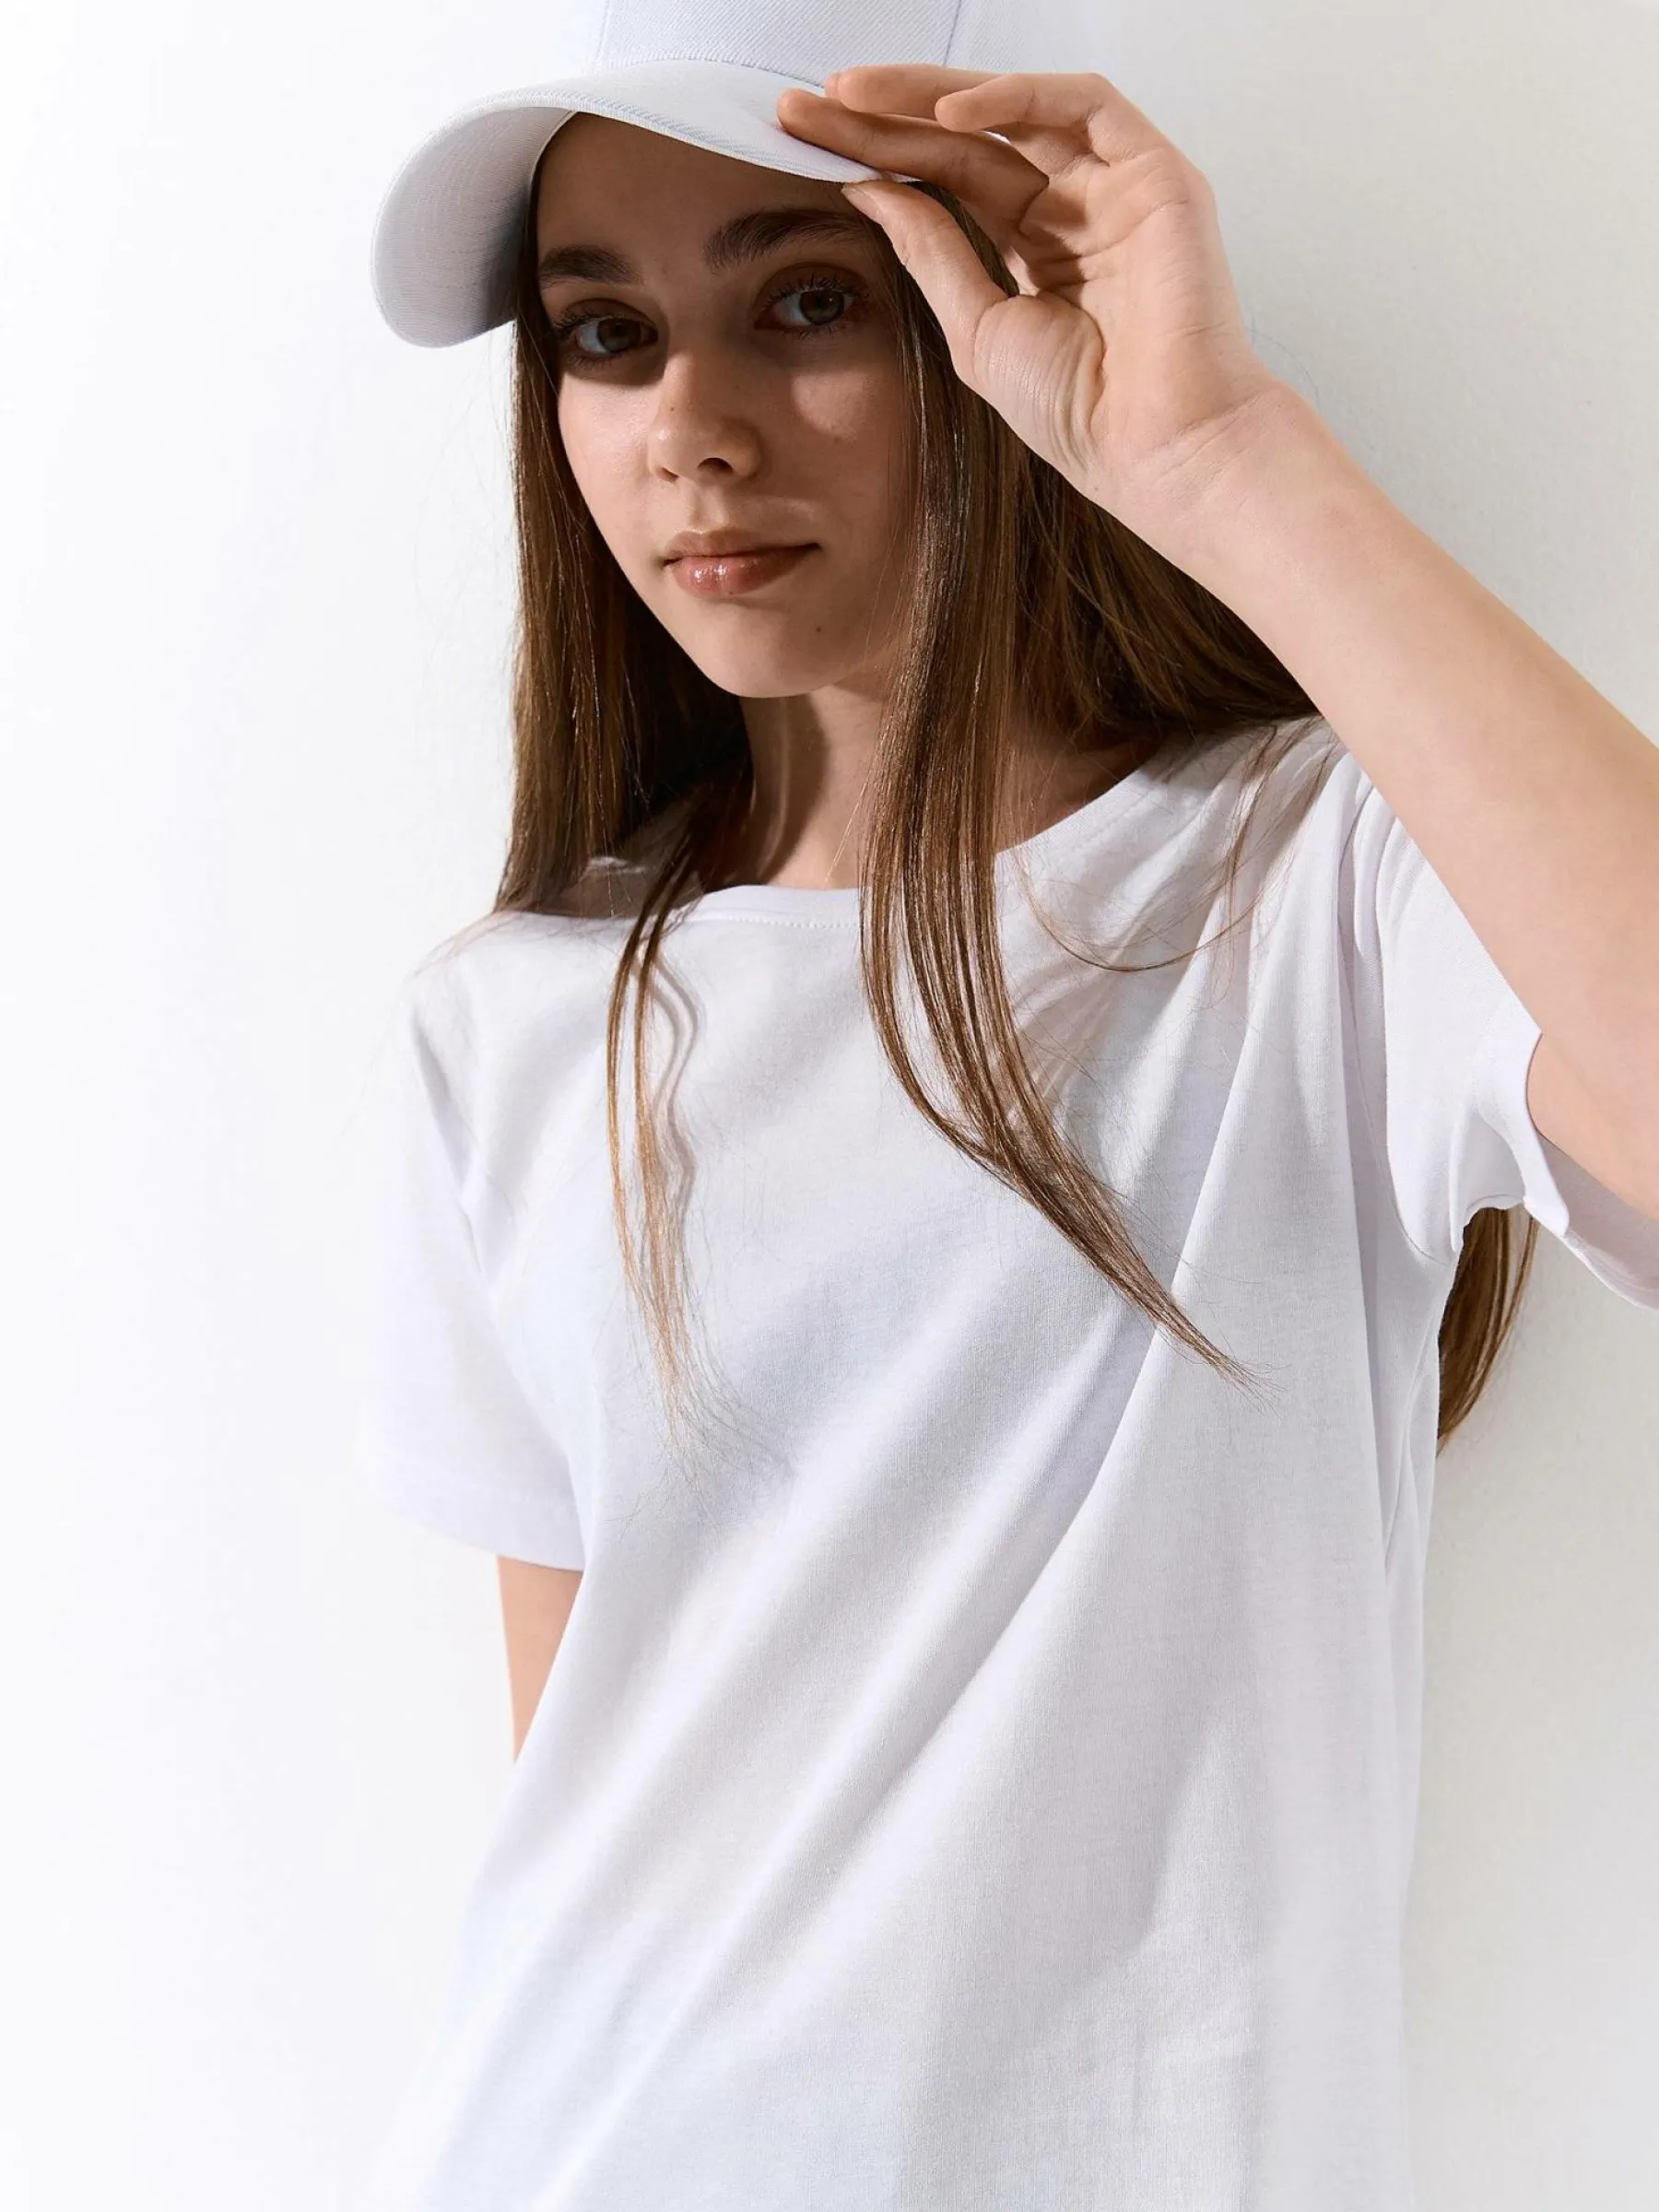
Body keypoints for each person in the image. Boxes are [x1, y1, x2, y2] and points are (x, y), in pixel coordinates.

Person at [349, 6, 1659, 2206]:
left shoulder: (1308, 885)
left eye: (806, 303)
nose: (692, 430)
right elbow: (587, 1776)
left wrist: (1222, 455)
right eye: (605, 333)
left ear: (987, 300)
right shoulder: (513, 1020)